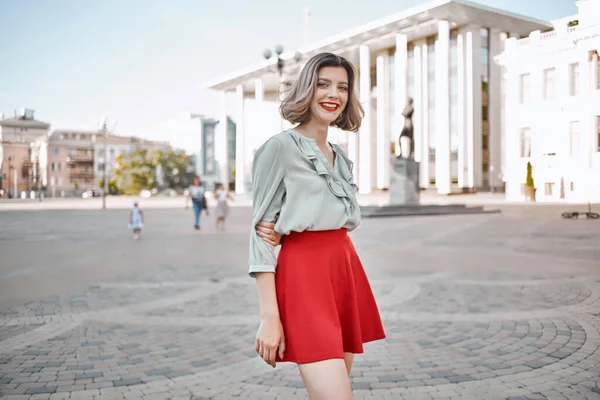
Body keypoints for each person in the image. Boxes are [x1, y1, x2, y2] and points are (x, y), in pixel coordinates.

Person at [249, 52, 386, 400]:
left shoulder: (341, 157)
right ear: (307, 89)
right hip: (304, 278)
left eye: (342, 87)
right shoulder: (279, 148)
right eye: (323, 84)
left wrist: (293, 225)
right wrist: (269, 318)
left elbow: (342, 220)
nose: (333, 94)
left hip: (344, 270)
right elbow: (259, 238)